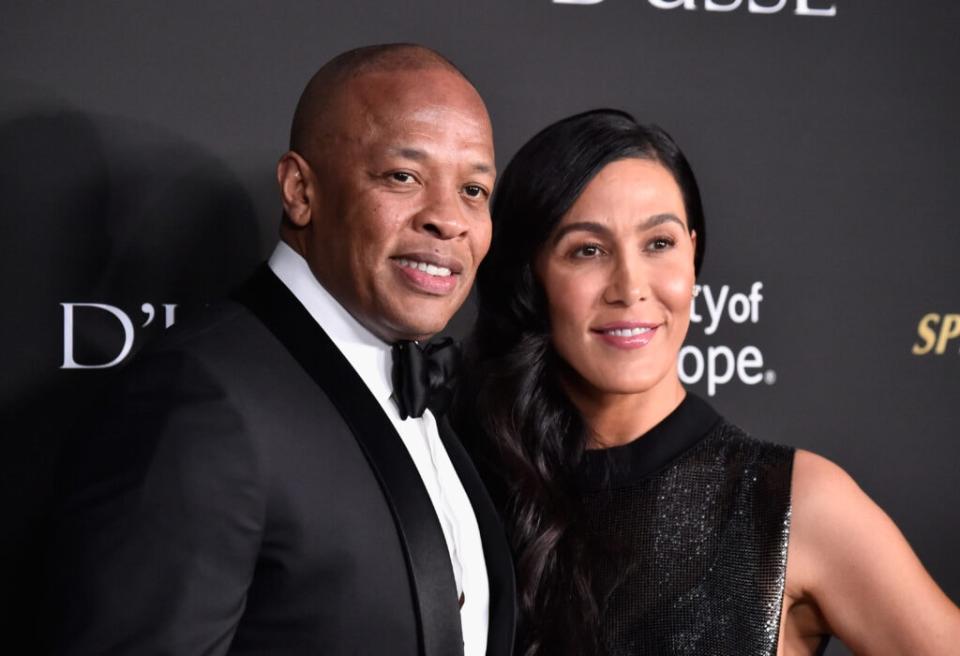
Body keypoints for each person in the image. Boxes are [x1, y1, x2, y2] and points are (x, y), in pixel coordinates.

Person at [47, 44, 515, 656]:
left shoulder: (424, 386)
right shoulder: (200, 402)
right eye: (403, 176)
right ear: (299, 190)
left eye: (475, 190)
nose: (448, 220)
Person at [456, 109, 960, 656]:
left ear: (693, 253)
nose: (630, 287)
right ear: (530, 278)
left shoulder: (796, 504)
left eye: (659, 244)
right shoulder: (462, 482)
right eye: (588, 250)